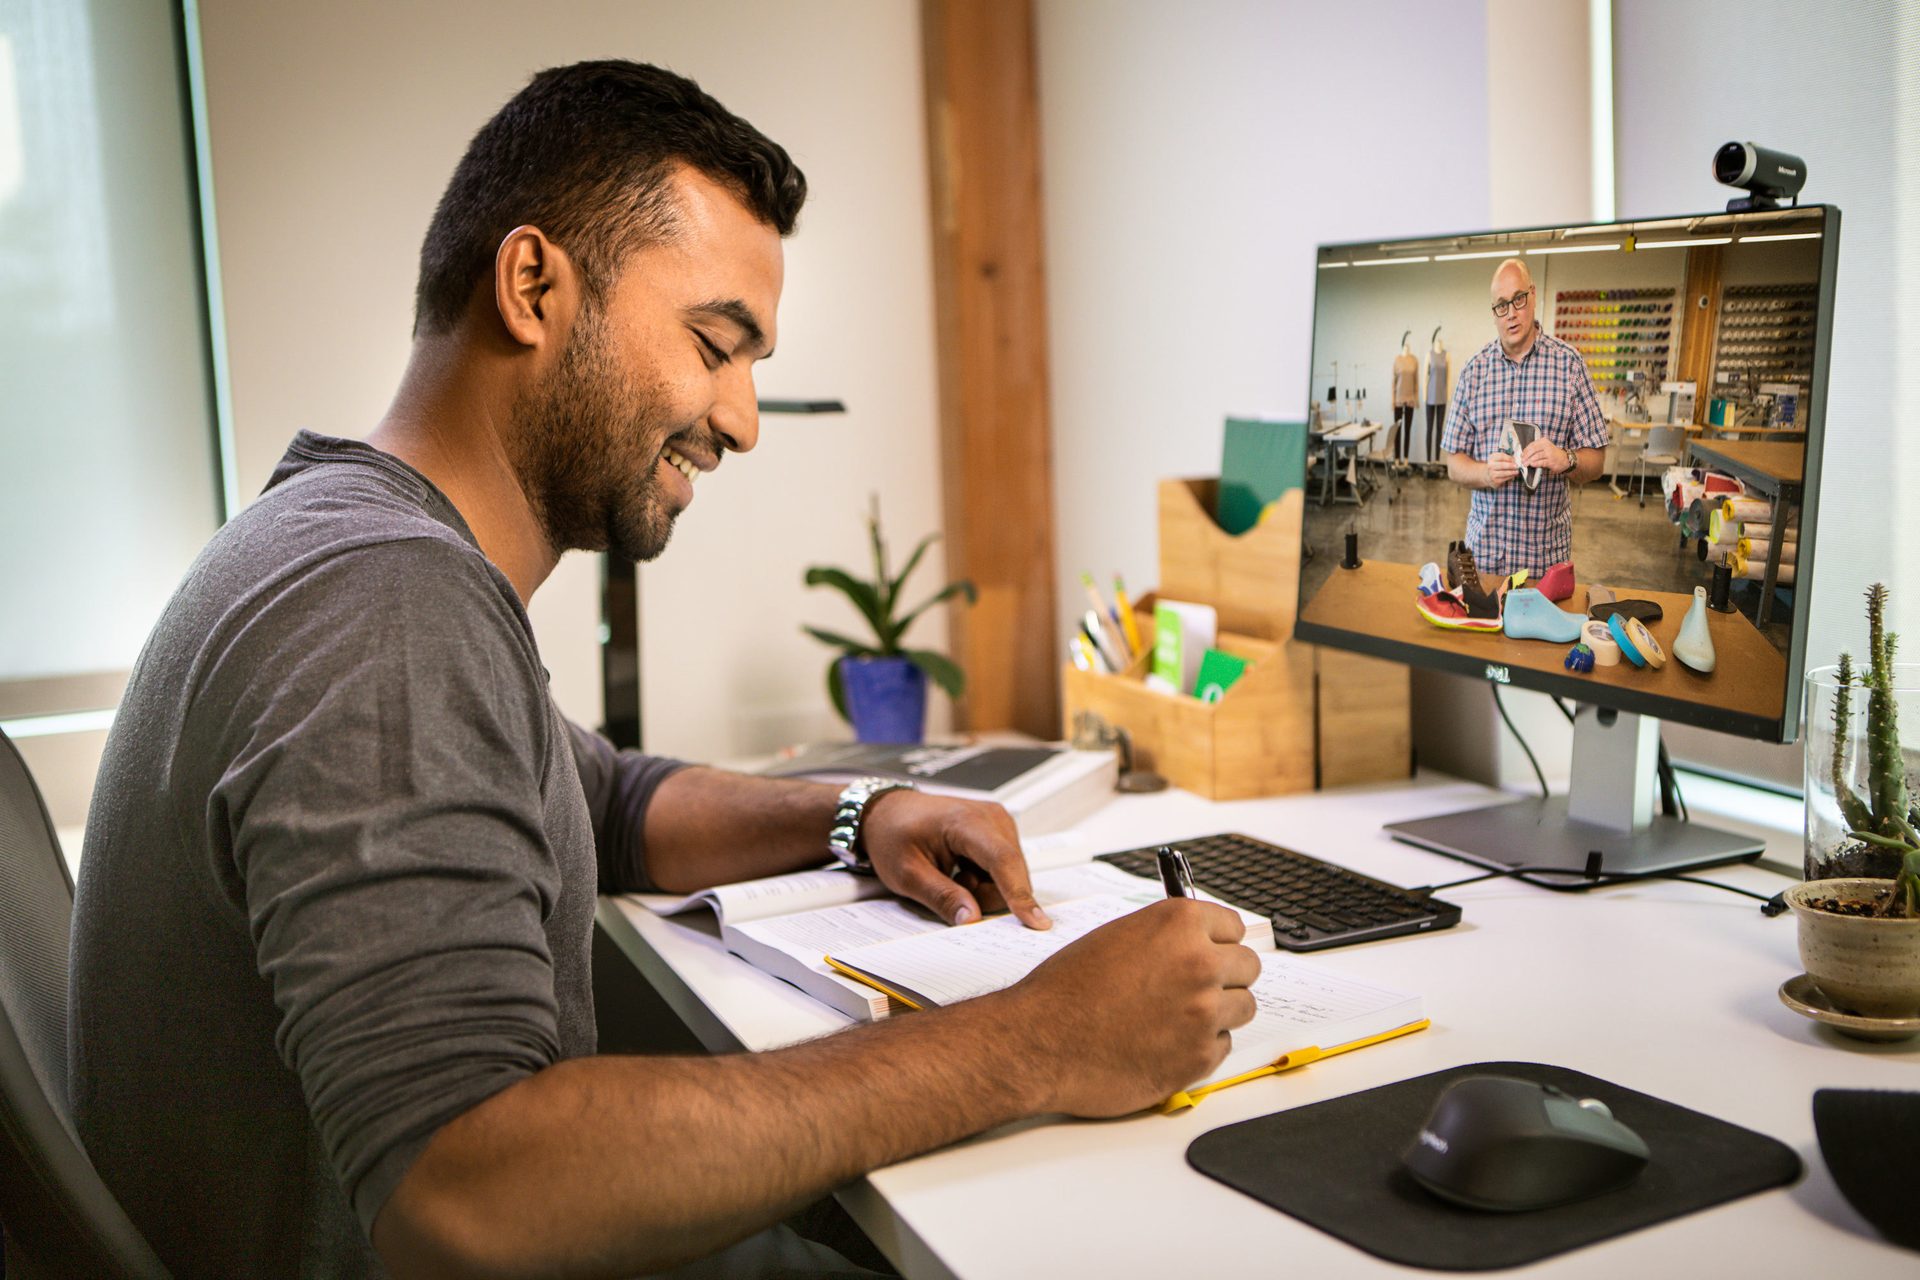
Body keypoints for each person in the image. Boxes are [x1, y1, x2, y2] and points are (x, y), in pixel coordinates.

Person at [68, 61, 1260, 1280]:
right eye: (713, 344)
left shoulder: (346, 544)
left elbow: (602, 799)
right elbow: (469, 1193)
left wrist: (860, 813)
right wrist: (1040, 1038)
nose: (741, 418)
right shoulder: (386, 609)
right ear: (532, 286)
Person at [1441, 258, 1608, 578]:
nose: (1512, 313)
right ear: (1494, 313)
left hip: (1544, 562)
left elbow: (1597, 462)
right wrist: (1485, 473)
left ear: (1532, 295)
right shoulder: (1474, 371)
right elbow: (1454, 465)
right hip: (1484, 557)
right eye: (1501, 305)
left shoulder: (1570, 366)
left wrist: (1566, 458)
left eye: (1518, 299)